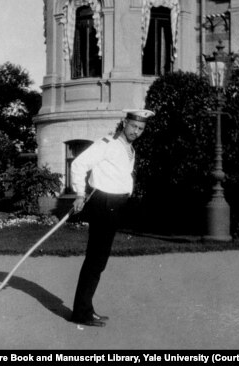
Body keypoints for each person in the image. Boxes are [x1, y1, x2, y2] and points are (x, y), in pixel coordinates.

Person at [69, 109, 153, 327]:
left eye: (141, 128)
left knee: (99, 261)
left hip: (115, 205)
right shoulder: (108, 142)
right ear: (125, 123)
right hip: (103, 203)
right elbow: (78, 164)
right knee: (95, 259)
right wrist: (79, 193)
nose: (136, 131)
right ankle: (81, 312)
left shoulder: (128, 148)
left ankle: (85, 308)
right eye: (134, 126)